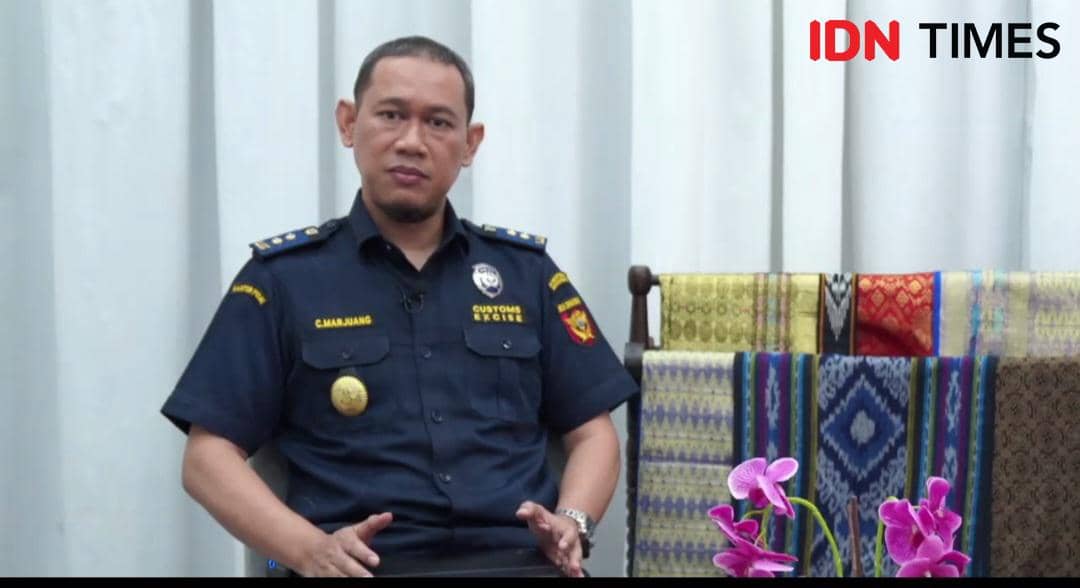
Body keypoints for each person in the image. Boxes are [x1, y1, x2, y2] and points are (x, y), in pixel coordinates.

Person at [161, 35, 638, 578]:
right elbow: (207, 458)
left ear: (470, 144)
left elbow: (593, 433)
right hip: (359, 567)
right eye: (391, 115)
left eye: (438, 122)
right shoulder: (282, 281)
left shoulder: (526, 274)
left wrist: (572, 520)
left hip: (520, 563)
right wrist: (307, 549)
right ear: (348, 123)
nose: (412, 142)